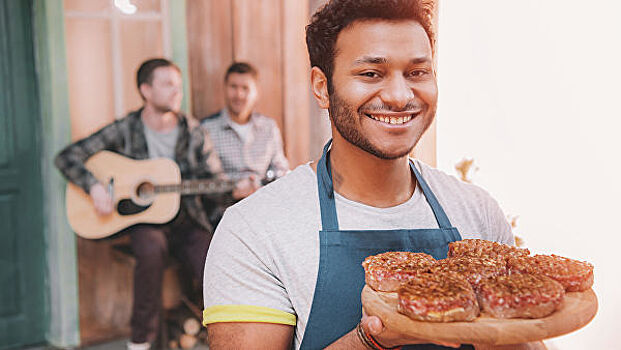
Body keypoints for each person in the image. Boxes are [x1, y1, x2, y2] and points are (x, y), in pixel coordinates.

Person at [202, 1, 516, 349]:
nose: (399, 96)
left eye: (417, 72)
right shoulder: (254, 230)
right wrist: (372, 339)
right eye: (371, 74)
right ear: (322, 87)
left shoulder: (479, 213)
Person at [55, 58, 251, 350]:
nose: (177, 91)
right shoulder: (126, 128)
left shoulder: (193, 131)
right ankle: (140, 341)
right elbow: (67, 157)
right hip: (143, 222)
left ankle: (228, 338)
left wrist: (234, 190)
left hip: (187, 219)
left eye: (178, 84)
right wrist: (94, 187)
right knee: (150, 251)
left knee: (214, 259)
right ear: (146, 90)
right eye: (168, 84)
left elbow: (215, 181)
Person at [201, 62, 289, 226]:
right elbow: (206, 176)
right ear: (225, 89)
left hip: (265, 203)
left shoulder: (269, 127)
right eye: (233, 87)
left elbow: (280, 168)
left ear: (256, 92)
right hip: (224, 209)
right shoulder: (207, 129)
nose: (239, 94)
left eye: (245, 88)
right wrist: (231, 191)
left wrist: (262, 188)